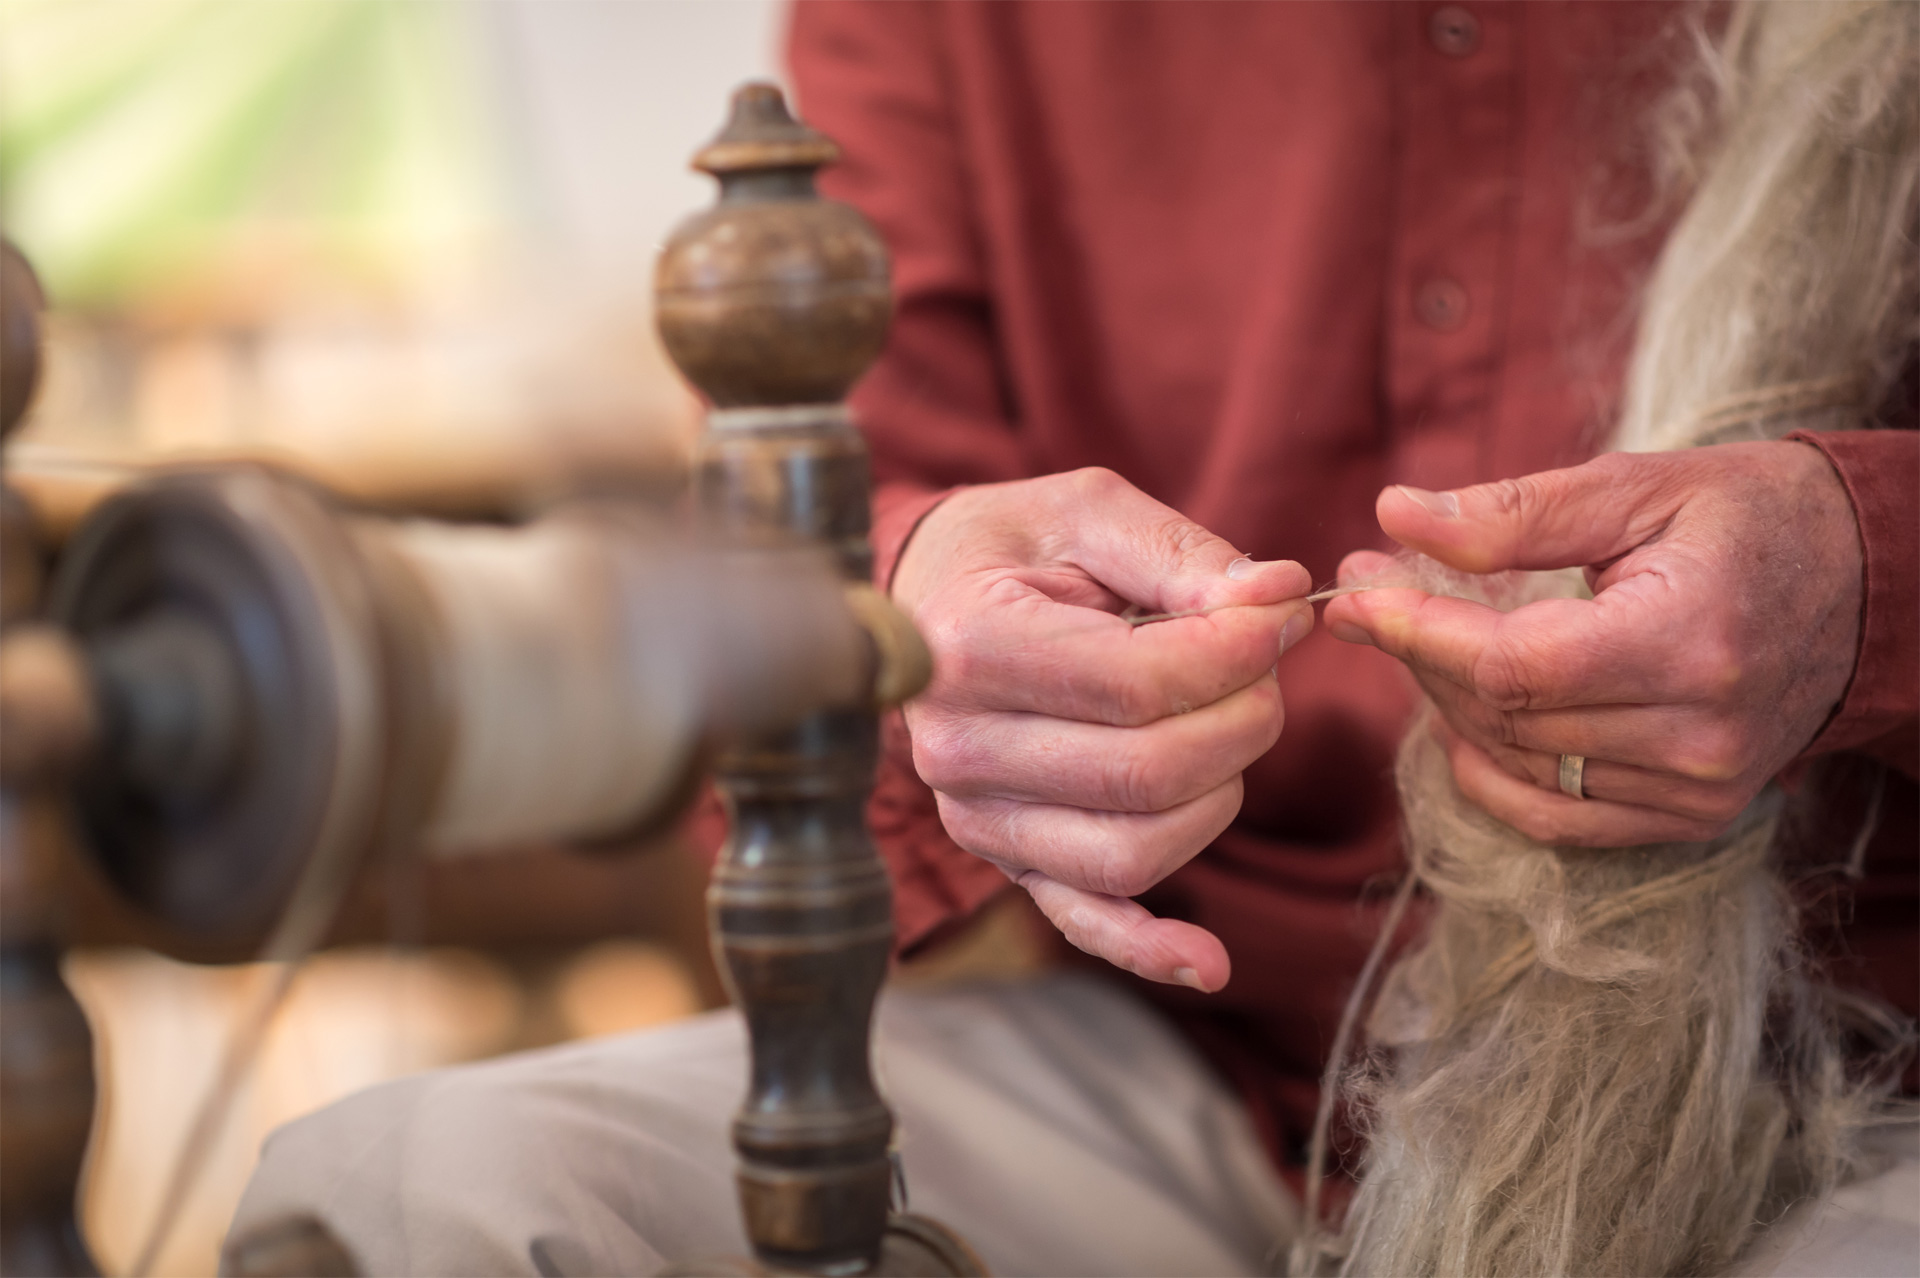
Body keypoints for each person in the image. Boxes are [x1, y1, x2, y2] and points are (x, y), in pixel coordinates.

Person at [229, 4, 1917, 1274]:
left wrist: (1870, 572)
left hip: (1863, 1074)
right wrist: (927, 608)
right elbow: (826, 527)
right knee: (428, 1194)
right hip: (1199, 1059)